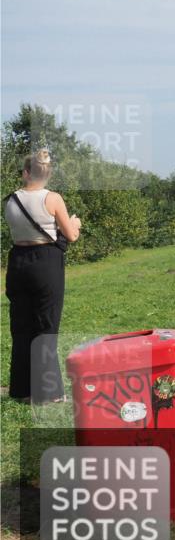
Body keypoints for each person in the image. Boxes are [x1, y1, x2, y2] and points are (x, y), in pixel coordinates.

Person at [3, 149, 81, 404]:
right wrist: (75, 224)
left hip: (17, 262)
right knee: (46, 326)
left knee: (21, 327)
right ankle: (49, 393)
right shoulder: (53, 198)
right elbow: (70, 236)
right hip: (45, 263)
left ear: (26, 173)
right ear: (46, 174)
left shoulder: (9, 200)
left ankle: (23, 391)